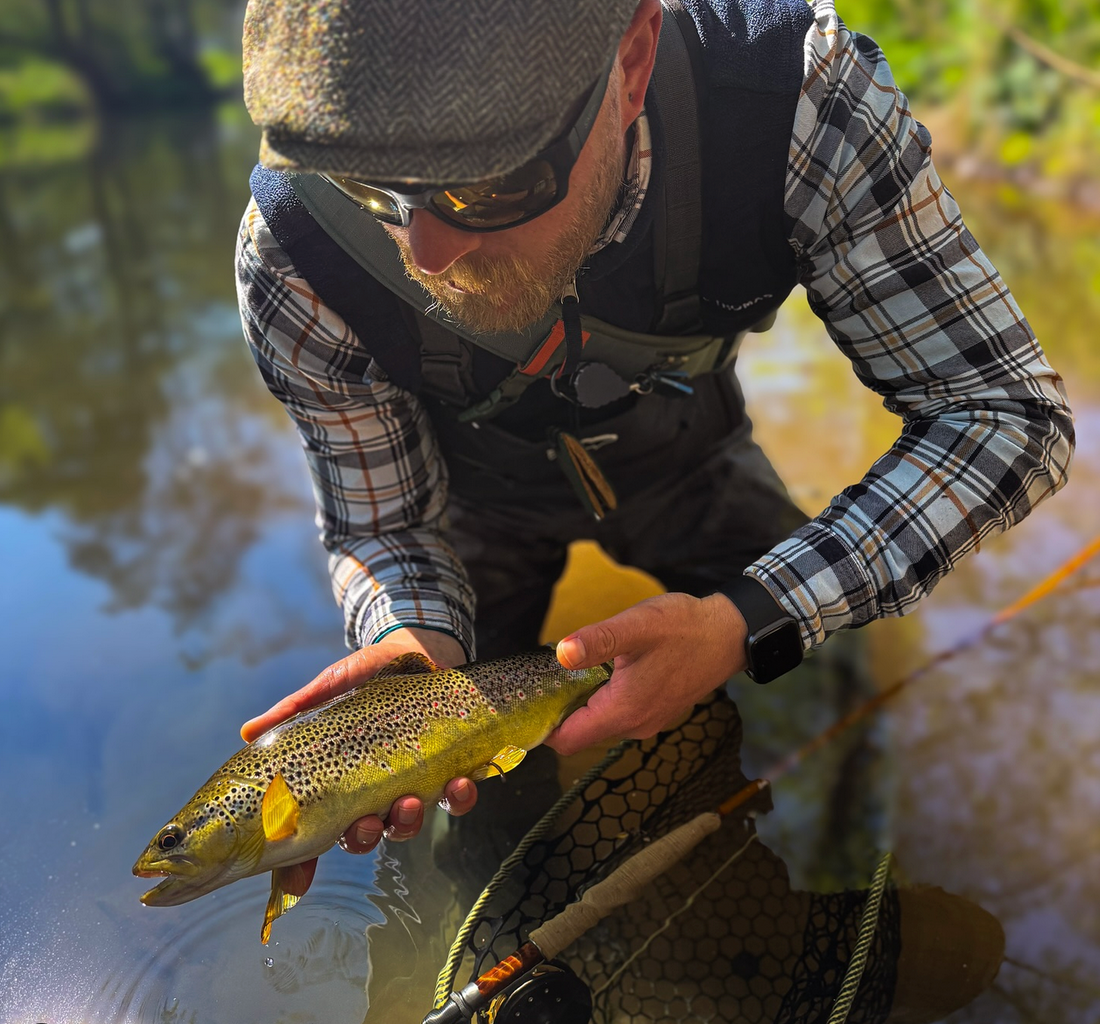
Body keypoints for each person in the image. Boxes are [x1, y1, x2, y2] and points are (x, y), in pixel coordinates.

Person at [233, 0, 1073, 892]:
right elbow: (387, 524)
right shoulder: (296, 251)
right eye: (371, 189)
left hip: (692, 458)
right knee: (470, 843)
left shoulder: (795, 101)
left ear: (632, 59)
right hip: (472, 506)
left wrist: (746, 618)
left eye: (485, 187)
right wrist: (410, 635)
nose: (427, 253)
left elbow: (1003, 413)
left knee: (823, 690)